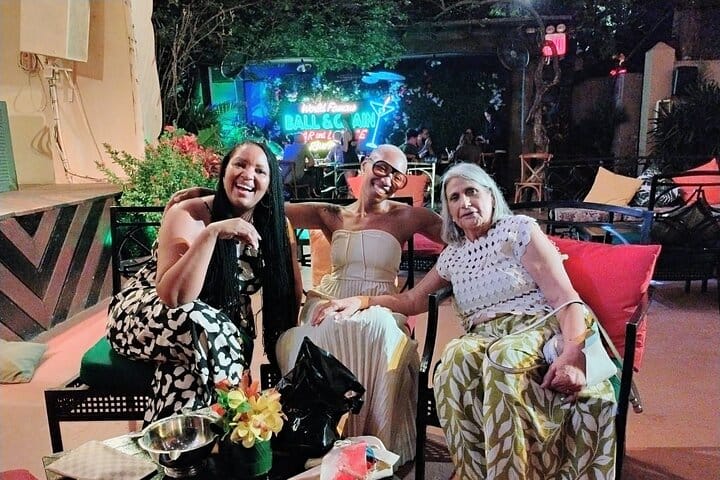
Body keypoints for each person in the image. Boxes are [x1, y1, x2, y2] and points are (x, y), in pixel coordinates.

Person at [315, 162, 618, 479]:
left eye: (471, 192)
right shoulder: (454, 255)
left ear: (490, 195)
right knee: (452, 362)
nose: (465, 203)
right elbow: (412, 300)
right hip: (485, 336)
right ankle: (472, 472)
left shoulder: (518, 230)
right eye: (454, 198)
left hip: (537, 325)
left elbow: (565, 297)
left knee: (502, 358)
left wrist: (573, 353)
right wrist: (362, 300)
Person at [107, 141, 302, 425]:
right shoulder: (189, 213)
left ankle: (176, 445)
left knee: (186, 374)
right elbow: (175, 298)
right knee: (205, 324)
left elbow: (290, 292)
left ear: (270, 184)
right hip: (147, 313)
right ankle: (236, 420)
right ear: (224, 172)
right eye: (240, 164)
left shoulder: (274, 225)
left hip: (213, 329)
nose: (248, 174)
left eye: (260, 171)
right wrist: (211, 234)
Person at [276, 144, 444, 465]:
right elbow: (272, 207)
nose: (388, 180)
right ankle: (324, 437)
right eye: (382, 168)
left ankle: (373, 442)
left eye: (398, 176)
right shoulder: (332, 214)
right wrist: (210, 197)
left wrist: (438, 280)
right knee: (323, 326)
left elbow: (463, 236)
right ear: (365, 165)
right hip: (333, 297)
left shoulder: (407, 216)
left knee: (377, 328)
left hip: (380, 302)